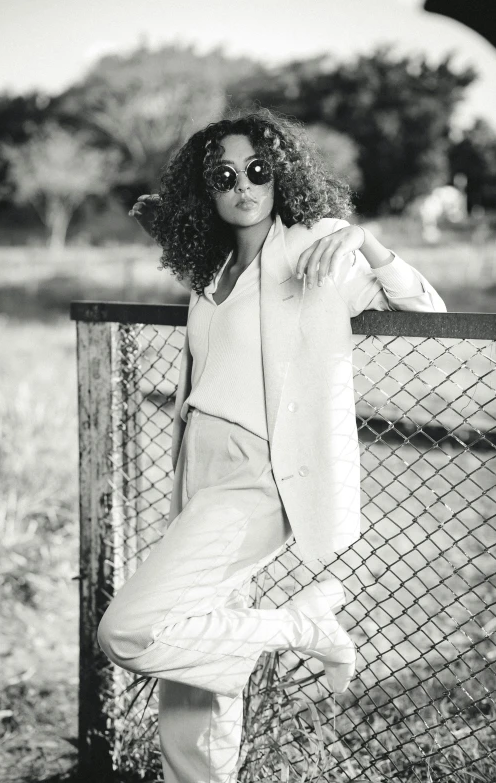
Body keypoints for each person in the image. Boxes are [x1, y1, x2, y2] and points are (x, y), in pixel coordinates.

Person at [97, 108, 446, 783]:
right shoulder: (214, 268)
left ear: (281, 173)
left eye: (258, 169)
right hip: (198, 464)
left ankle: (301, 625)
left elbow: (426, 310)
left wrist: (364, 242)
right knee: (194, 657)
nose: (244, 185)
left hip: (257, 475)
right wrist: (164, 215)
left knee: (132, 630)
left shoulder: (313, 246)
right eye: (223, 175)